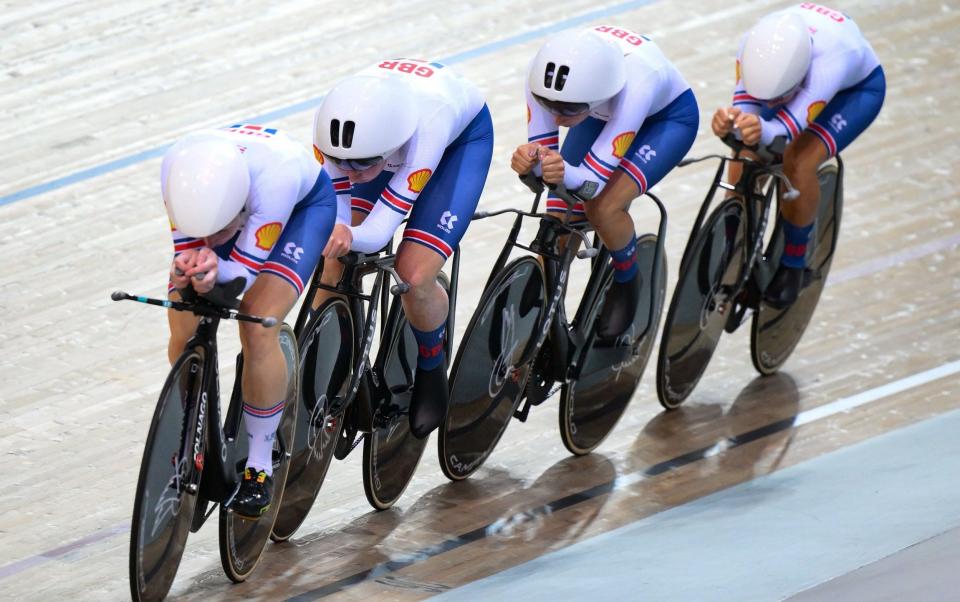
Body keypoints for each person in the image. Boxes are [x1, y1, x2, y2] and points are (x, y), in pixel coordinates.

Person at [312, 58, 493, 439]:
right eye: (341, 162)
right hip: (382, 139)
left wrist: (346, 233)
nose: (351, 173)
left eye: (361, 165)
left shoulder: (428, 131)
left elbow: (377, 232)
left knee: (413, 273)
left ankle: (431, 363)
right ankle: (319, 361)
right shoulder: (333, 132)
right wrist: (338, 231)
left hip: (458, 145)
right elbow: (338, 207)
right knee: (334, 263)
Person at [163, 123, 336, 519]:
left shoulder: (276, 182)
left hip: (298, 211)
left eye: (222, 229)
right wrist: (186, 270)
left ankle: (259, 464)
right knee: (182, 317)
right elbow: (186, 248)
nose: (217, 236)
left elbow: (240, 274)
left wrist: (211, 275)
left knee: (258, 324)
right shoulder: (176, 169)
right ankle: (189, 429)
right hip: (227, 207)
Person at [512, 25, 698, 338]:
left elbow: (590, 184)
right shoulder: (544, 79)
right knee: (558, 221)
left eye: (567, 109)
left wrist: (559, 171)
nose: (556, 117)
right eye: (548, 105)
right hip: (596, 115)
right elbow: (546, 159)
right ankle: (545, 326)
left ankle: (628, 280)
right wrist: (529, 163)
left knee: (603, 208)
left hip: (664, 121)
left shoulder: (638, 84)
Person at [712, 3, 884, 307]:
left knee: (797, 162)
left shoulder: (832, 63)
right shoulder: (754, 47)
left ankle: (794, 265)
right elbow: (746, 113)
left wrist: (758, 130)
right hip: (790, 81)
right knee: (745, 157)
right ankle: (734, 242)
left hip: (851, 93)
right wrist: (731, 124)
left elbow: (782, 134)